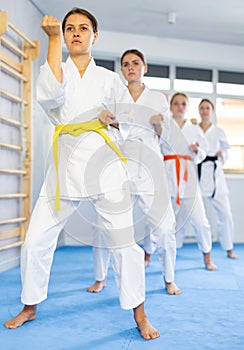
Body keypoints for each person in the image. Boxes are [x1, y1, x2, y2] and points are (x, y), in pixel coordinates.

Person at [4, 8, 160, 340]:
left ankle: (140, 312)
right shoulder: (53, 67)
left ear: (94, 36)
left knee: (125, 245)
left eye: (83, 28)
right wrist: (52, 40)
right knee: (35, 241)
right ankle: (30, 305)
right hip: (64, 168)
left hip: (104, 167)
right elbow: (50, 96)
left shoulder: (109, 79)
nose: (76, 33)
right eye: (70, 28)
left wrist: (112, 117)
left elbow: (127, 118)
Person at [87, 49, 181, 296]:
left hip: (150, 169)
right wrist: (108, 118)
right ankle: (100, 277)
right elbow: (104, 124)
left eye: (135, 63)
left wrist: (157, 123)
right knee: (101, 225)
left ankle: (169, 278)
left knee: (164, 227)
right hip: (118, 166)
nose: (131, 67)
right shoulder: (113, 95)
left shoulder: (158, 98)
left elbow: (164, 136)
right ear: (122, 69)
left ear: (145, 67)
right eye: (126, 64)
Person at [160, 92, 217, 270]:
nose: (180, 107)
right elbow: (155, 147)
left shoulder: (194, 129)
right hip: (168, 176)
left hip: (189, 177)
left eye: (183, 104)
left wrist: (196, 150)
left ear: (187, 106)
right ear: (171, 107)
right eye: (176, 103)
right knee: (161, 221)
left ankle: (207, 257)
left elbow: (203, 152)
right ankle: (148, 255)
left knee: (201, 221)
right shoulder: (164, 125)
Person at [197, 98, 237, 259]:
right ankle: (177, 245)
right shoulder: (194, 128)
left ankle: (229, 248)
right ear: (199, 111)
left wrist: (222, 155)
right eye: (202, 108)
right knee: (187, 214)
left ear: (212, 112)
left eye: (207, 108)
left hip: (215, 175)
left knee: (226, 214)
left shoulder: (219, 131)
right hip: (198, 173)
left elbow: (226, 150)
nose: (205, 111)